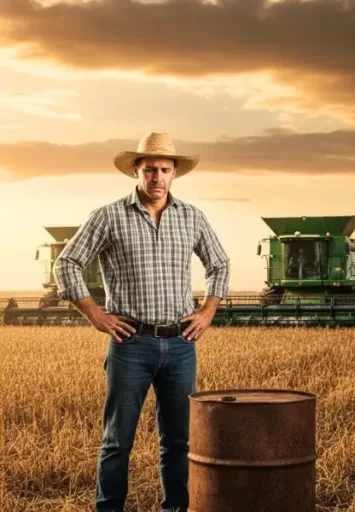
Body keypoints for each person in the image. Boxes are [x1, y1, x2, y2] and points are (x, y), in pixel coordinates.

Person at [53, 132, 230, 511]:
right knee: (117, 440)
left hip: (181, 344)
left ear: (174, 173)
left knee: (179, 441)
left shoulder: (192, 217)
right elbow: (66, 263)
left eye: (165, 170)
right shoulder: (108, 216)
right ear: (136, 170)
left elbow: (220, 263)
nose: (157, 178)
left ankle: (176, 508)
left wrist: (207, 311)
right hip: (131, 344)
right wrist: (96, 315)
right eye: (150, 170)